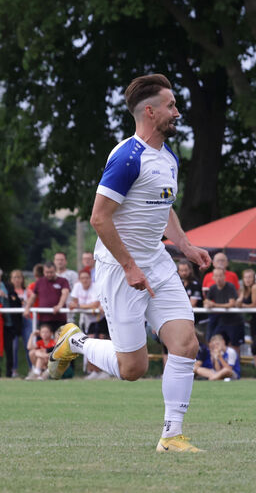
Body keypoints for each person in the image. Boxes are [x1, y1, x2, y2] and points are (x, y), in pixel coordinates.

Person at [48, 74, 211, 452]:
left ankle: (172, 436)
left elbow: (164, 205)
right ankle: (75, 341)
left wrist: (184, 244)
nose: (177, 111)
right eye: (171, 105)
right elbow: (99, 218)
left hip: (157, 262)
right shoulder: (127, 157)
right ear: (151, 112)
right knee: (132, 369)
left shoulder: (169, 157)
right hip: (120, 268)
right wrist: (128, 266)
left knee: (185, 344)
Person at [68, 270, 109, 379]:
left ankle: (105, 370)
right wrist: (79, 305)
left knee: (101, 344)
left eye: (87, 278)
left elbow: (95, 304)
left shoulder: (96, 287)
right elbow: (74, 302)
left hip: (100, 319)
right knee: (90, 345)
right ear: (80, 279)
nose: (85, 280)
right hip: (87, 321)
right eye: (83, 278)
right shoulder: (77, 287)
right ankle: (94, 370)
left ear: (90, 279)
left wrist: (79, 306)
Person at [203, 268, 242, 350]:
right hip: (221, 320)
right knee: (214, 341)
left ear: (224, 276)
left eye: (220, 276)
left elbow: (231, 304)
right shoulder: (213, 288)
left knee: (234, 345)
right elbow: (206, 301)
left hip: (234, 320)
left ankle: (235, 362)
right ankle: (217, 361)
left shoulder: (230, 286)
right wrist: (207, 304)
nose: (218, 278)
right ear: (213, 277)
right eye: (216, 276)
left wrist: (214, 305)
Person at [24, 263, 70, 331]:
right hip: (44, 319)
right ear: (43, 272)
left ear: (55, 271)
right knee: (43, 340)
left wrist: (59, 306)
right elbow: (33, 297)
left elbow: (65, 293)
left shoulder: (63, 281)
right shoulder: (39, 282)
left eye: (51, 272)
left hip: (59, 318)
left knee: (60, 340)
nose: (49, 274)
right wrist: (27, 308)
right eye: (47, 272)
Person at [2, 270, 26, 378]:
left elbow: (16, 303)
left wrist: (6, 296)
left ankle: (9, 373)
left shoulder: (8, 287)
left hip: (8, 324)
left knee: (10, 349)